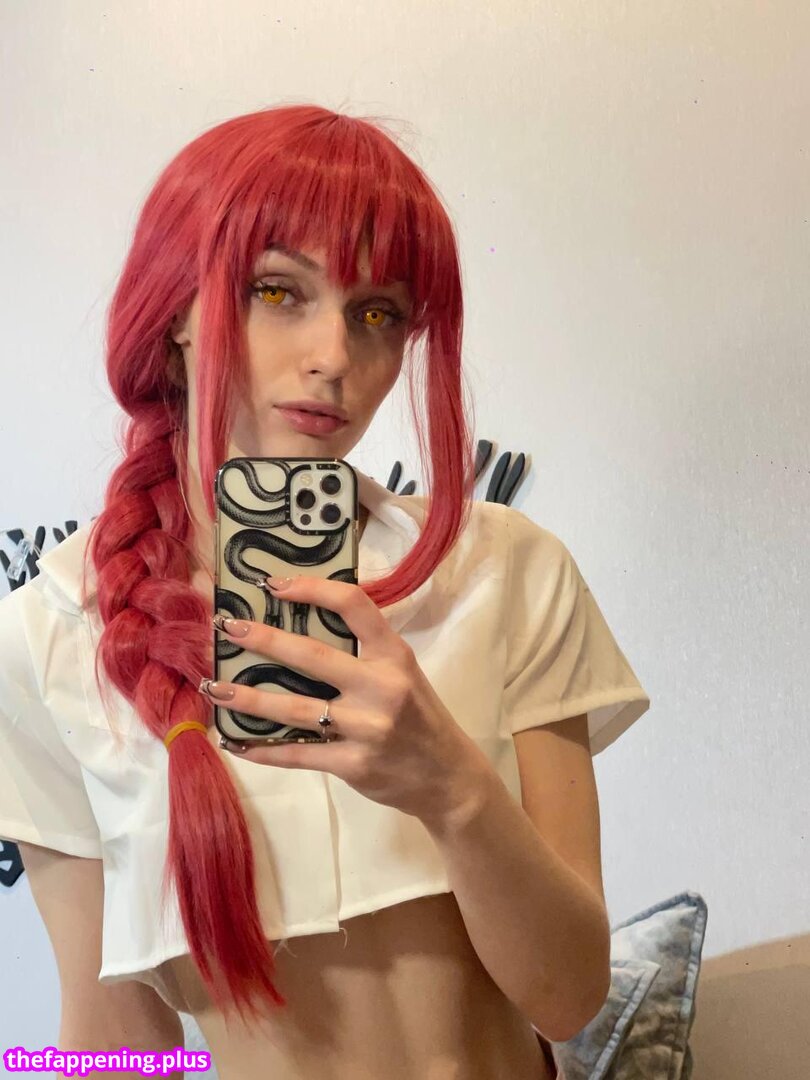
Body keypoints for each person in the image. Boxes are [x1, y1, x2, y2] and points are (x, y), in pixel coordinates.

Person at [0, 103, 651, 1079]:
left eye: (377, 312)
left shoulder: (504, 570)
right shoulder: (51, 634)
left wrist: (453, 789)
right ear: (176, 310)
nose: (334, 356)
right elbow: (112, 1034)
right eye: (277, 290)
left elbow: (569, 995)